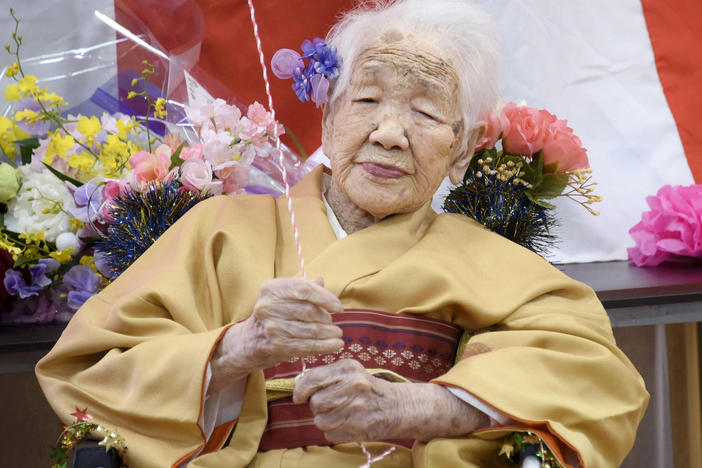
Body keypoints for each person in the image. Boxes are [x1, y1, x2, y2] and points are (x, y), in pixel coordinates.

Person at [36, 1, 648, 467]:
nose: (388, 132)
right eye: (368, 100)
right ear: (329, 119)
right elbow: (89, 374)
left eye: (427, 113)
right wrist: (236, 348)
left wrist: (419, 407)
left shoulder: (490, 260)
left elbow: (602, 380)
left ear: (462, 151)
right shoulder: (217, 231)